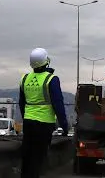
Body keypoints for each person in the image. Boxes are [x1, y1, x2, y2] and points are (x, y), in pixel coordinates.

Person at [19, 48, 69, 178]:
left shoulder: (24, 79)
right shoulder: (51, 79)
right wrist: (64, 126)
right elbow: (58, 104)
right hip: (44, 124)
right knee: (38, 158)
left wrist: (25, 118)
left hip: (28, 122)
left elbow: (21, 103)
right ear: (46, 61)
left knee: (27, 157)